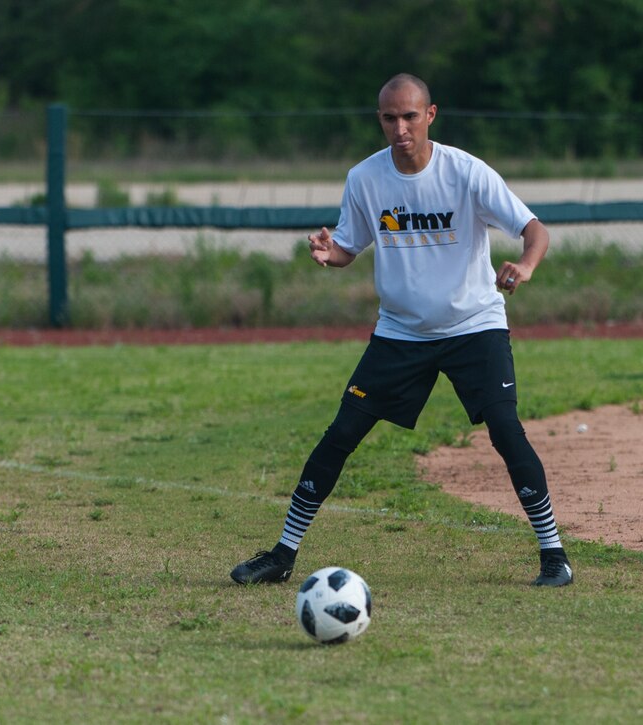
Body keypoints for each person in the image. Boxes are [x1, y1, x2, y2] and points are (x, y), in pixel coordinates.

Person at [231, 73, 573, 589]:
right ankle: (282, 554)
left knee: (505, 430)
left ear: (430, 115)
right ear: (380, 120)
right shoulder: (365, 179)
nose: (400, 127)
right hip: (401, 333)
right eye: (390, 118)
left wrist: (525, 266)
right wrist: (331, 253)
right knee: (341, 434)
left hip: (474, 325)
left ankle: (554, 556)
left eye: (410, 116)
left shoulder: (466, 172)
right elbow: (349, 246)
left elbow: (534, 230)